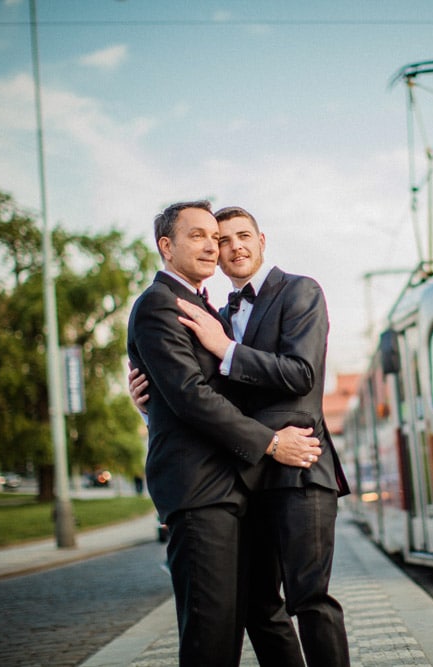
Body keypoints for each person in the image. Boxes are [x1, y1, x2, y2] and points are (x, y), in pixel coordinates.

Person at [131, 205, 351, 667]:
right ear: (167, 246)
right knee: (252, 609)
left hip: (298, 466)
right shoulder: (193, 308)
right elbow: (195, 393)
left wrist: (225, 349)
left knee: (307, 599)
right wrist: (152, 406)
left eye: (236, 236)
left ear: (262, 240)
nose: (224, 246)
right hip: (237, 477)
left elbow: (301, 373)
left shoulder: (297, 291)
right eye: (211, 237)